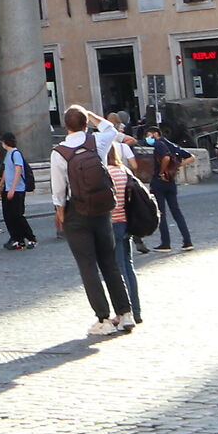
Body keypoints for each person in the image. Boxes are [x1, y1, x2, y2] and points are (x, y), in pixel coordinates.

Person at [50, 108, 133, 337]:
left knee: (88, 266)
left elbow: (58, 190)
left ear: (66, 126)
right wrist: (91, 114)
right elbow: (110, 128)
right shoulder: (97, 141)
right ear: (86, 125)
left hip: (76, 211)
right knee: (110, 262)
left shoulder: (59, 152)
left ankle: (103, 319)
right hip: (101, 209)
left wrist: (60, 213)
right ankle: (125, 314)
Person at [102, 133, 143, 326]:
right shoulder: (123, 170)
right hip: (128, 222)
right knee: (129, 267)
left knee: (118, 269)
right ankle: (136, 310)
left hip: (113, 222)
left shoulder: (107, 173)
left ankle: (125, 312)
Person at [141, 126, 195, 252]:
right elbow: (191, 157)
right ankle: (187, 241)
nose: (148, 138)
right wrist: (174, 169)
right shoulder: (170, 144)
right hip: (171, 182)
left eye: (149, 135)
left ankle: (166, 243)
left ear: (155, 134)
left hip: (159, 182)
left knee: (161, 213)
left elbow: (166, 158)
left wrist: (162, 172)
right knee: (176, 212)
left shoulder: (159, 144)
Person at [0, 132, 36, 249]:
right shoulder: (8, 154)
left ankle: (30, 238)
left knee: (18, 215)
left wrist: (13, 188)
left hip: (17, 189)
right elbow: (6, 170)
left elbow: (18, 170)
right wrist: (1, 184)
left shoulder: (15, 153)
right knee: (8, 215)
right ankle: (17, 238)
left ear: (6, 142)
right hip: (8, 188)